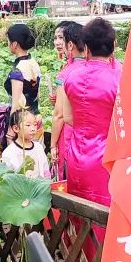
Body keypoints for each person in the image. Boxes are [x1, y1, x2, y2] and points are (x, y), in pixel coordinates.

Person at [55, 18, 122, 205]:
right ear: (114, 44)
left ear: (86, 47)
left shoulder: (71, 76)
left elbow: (67, 117)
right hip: (109, 158)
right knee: (107, 213)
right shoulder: (120, 78)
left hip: (76, 154)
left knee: (79, 212)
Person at [50, 21, 86, 177]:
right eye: (55, 38)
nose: (58, 43)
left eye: (61, 38)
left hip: (69, 132)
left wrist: (52, 145)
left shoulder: (67, 73)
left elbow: (59, 115)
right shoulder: (92, 67)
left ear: (70, 44)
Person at [1, 108, 51, 178]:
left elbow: (45, 169)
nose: (33, 129)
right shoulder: (9, 152)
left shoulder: (38, 147)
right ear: (16, 128)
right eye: (28, 125)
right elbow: (7, 178)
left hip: (38, 187)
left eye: (35, 124)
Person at [5, 23, 41, 112]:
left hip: (23, 118)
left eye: (8, 41)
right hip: (35, 115)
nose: (8, 44)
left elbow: (16, 105)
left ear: (15, 44)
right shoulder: (33, 62)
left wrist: (12, 124)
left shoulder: (17, 70)